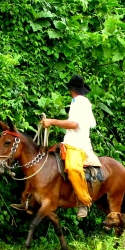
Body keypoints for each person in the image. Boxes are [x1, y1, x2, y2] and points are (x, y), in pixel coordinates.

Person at [42, 75, 101, 218]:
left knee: (73, 169)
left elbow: (74, 124)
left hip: (78, 145)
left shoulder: (81, 102)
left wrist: (52, 121)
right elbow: (92, 123)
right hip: (68, 142)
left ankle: (84, 201)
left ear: (70, 89)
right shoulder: (77, 102)